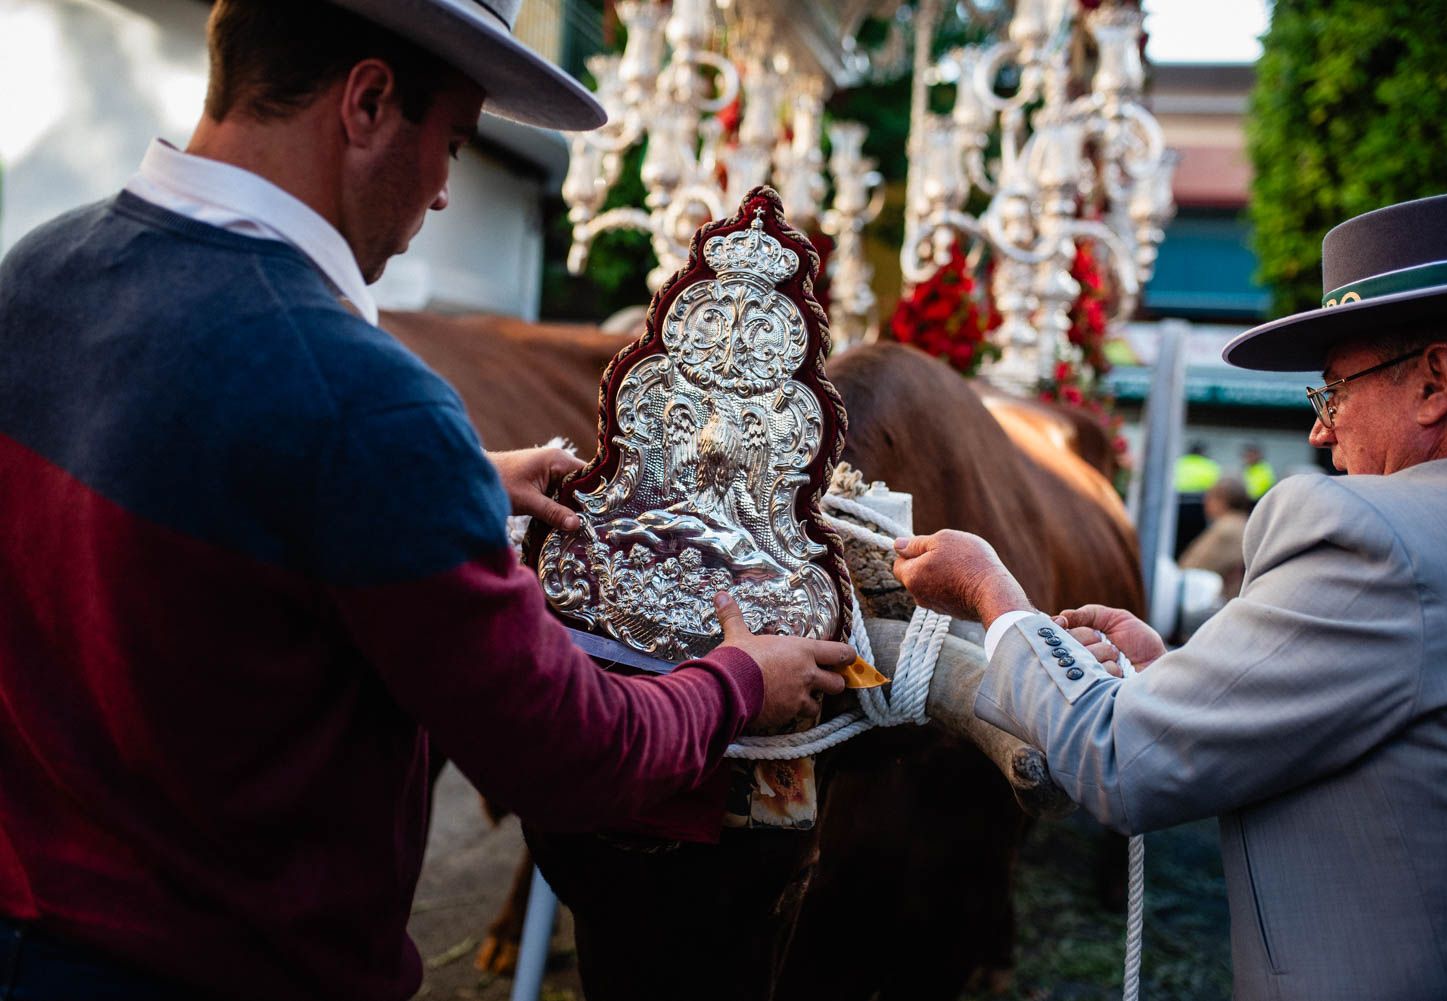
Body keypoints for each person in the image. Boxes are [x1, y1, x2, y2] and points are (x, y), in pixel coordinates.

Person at [0, 1, 852, 998]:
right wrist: (739, 681)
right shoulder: (368, 407)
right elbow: (563, 752)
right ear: (366, 103)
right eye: (450, 141)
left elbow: (170, 487)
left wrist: (455, 482)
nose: (446, 191)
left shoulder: (39, 268)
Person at [890, 189, 1447, 1001]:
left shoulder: (1372, 532)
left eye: (1335, 390)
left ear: (1434, 381)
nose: (1321, 429)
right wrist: (1181, 672)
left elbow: (1118, 759)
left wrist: (992, 590)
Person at [1178, 476, 1252, 597]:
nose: (1205, 503)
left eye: (1209, 497)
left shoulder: (1227, 529)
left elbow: (1191, 568)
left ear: (1222, 500)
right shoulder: (1244, 524)